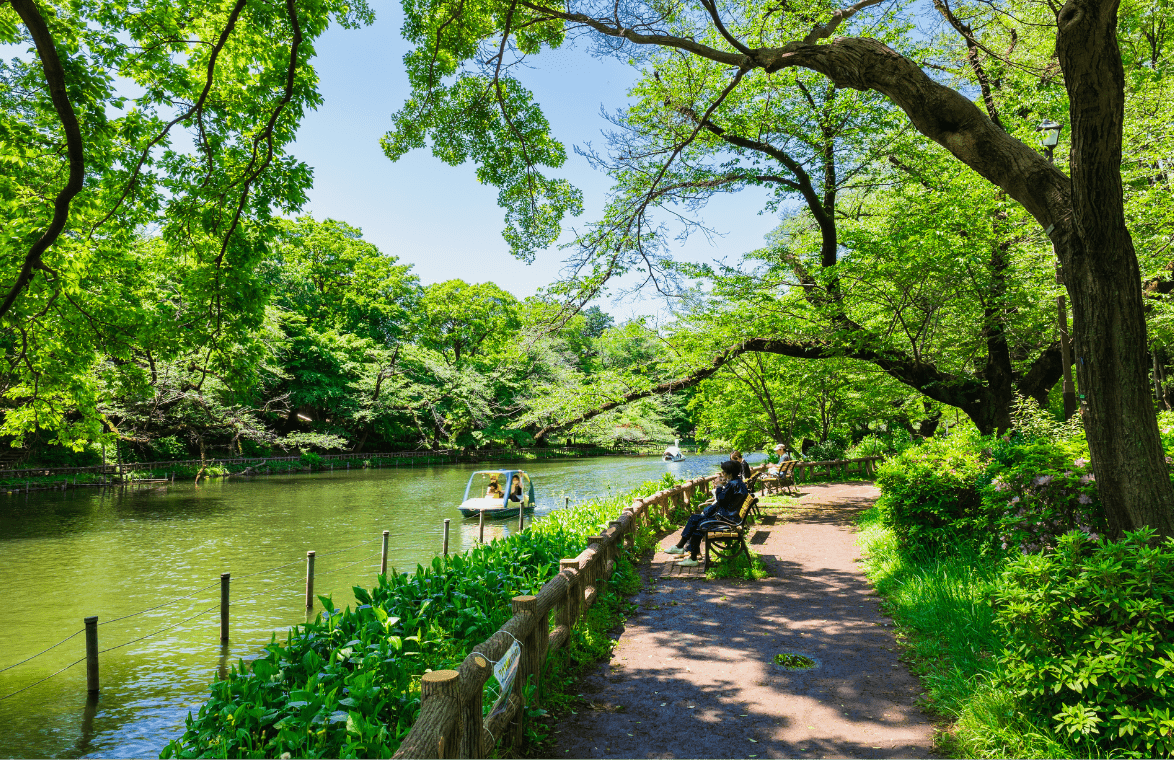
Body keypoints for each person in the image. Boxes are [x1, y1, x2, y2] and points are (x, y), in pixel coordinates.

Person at [664, 460, 749, 567]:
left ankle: (685, 551)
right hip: (732, 518)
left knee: (696, 521)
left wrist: (718, 486)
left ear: (730, 473)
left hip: (727, 520)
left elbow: (721, 500)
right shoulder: (738, 483)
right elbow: (726, 500)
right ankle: (686, 552)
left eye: (724, 472)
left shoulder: (732, 485)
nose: (722, 474)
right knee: (696, 520)